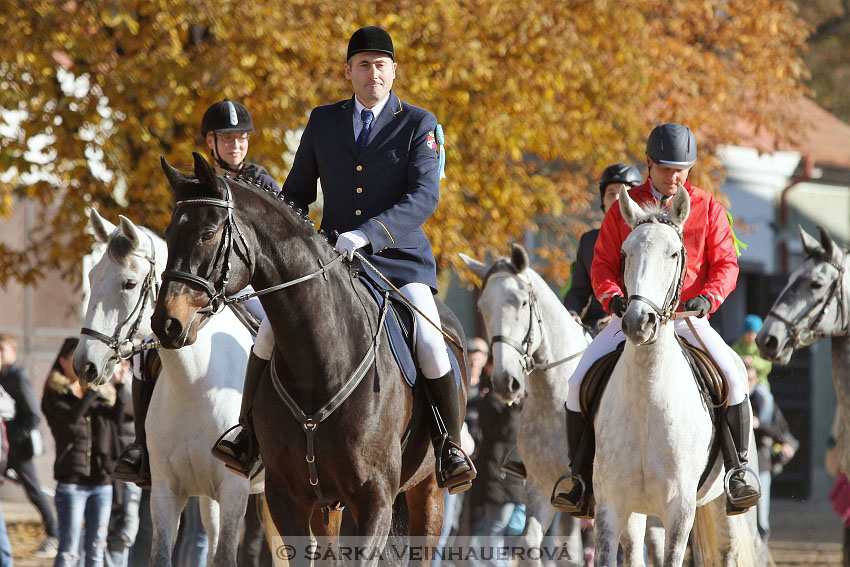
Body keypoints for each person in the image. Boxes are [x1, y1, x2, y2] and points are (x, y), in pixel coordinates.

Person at [211, 25, 476, 493]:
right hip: (333, 260)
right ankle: (246, 434)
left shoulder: (419, 124)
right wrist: (282, 237)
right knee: (271, 332)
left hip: (399, 260)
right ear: (348, 72)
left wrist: (370, 234)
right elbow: (295, 194)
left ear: (393, 71)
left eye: (380, 65)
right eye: (363, 65)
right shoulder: (323, 121)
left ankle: (450, 445)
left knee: (433, 345)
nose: (372, 72)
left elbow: (424, 196)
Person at [552, 122, 759, 517]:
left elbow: (727, 265)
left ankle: (738, 471)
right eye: (666, 168)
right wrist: (613, 299)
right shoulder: (624, 208)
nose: (675, 177)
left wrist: (708, 298)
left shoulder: (708, 207)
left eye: (682, 169)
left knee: (733, 377)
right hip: (634, 317)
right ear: (649, 163)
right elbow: (603, 264)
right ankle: (578, 476)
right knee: (577, 381)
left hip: (686, 317)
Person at [113, 97, 277, 486]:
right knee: (147, 350)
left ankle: (267, 432)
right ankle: (141, 448)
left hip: (247, 289)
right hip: (202, 287)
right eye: (227, 138)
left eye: (241, 138)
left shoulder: (262, 183)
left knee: (279, 335)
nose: (236, 145)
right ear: (211, 142)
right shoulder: (193, 185)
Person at [41, 337, 126, 567]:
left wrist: (118, 385)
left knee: (97, 551)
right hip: (71, 483)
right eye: (75, 359)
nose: (82, 365)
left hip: (101, 482)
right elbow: (72, 418)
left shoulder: (102, 394)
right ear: (63, 362)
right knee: (68, 551)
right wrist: (91, 391)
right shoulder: (55, 394)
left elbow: (116, 421)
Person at [564, 164, 642, 336]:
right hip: (595, 329)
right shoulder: (588, 241)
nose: (616, 199)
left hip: (639, 324)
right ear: (603, 201)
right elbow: (578, 291)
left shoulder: (646, 239)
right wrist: (571, 313)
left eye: (623, 194)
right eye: (611, 194)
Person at [0, 334, 59, 558]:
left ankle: (54, 532)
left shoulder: (17, 378)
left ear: (13, 353)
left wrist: (12, 437)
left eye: (2, 349)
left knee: (34, 490)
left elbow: (33, 416)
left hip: (17, 448)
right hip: (3, 448)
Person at [105, 360, 142, 567]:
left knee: (128, 527)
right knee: (120, 524)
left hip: (134, 457)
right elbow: (131, 405)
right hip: (118, 459)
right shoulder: (113, 373)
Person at [732, 314, 773, 389]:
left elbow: (767, 366)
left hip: (759, 381)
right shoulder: (736, 347)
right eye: (749, 333)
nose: (752, 336)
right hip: (740, 382)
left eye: (755, 334)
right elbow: (730, 362)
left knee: (765, 398)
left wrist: (753, 361)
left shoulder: (763, 348)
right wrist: (741, 360)